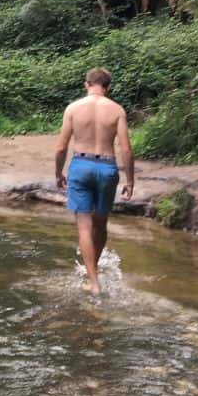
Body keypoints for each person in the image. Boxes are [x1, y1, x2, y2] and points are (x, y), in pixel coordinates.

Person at [54, 68, 134, 295]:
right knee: (100, 224)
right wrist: (130, 180)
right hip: (107, 167)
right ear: (107, 86)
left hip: (81, 165)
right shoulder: (117, 110)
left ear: (86, 84)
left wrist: (59, 173)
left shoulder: (73, 108)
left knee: (84, 226)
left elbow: (61, 147)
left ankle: (93, 282)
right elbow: (126, 150)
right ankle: (93, 272)